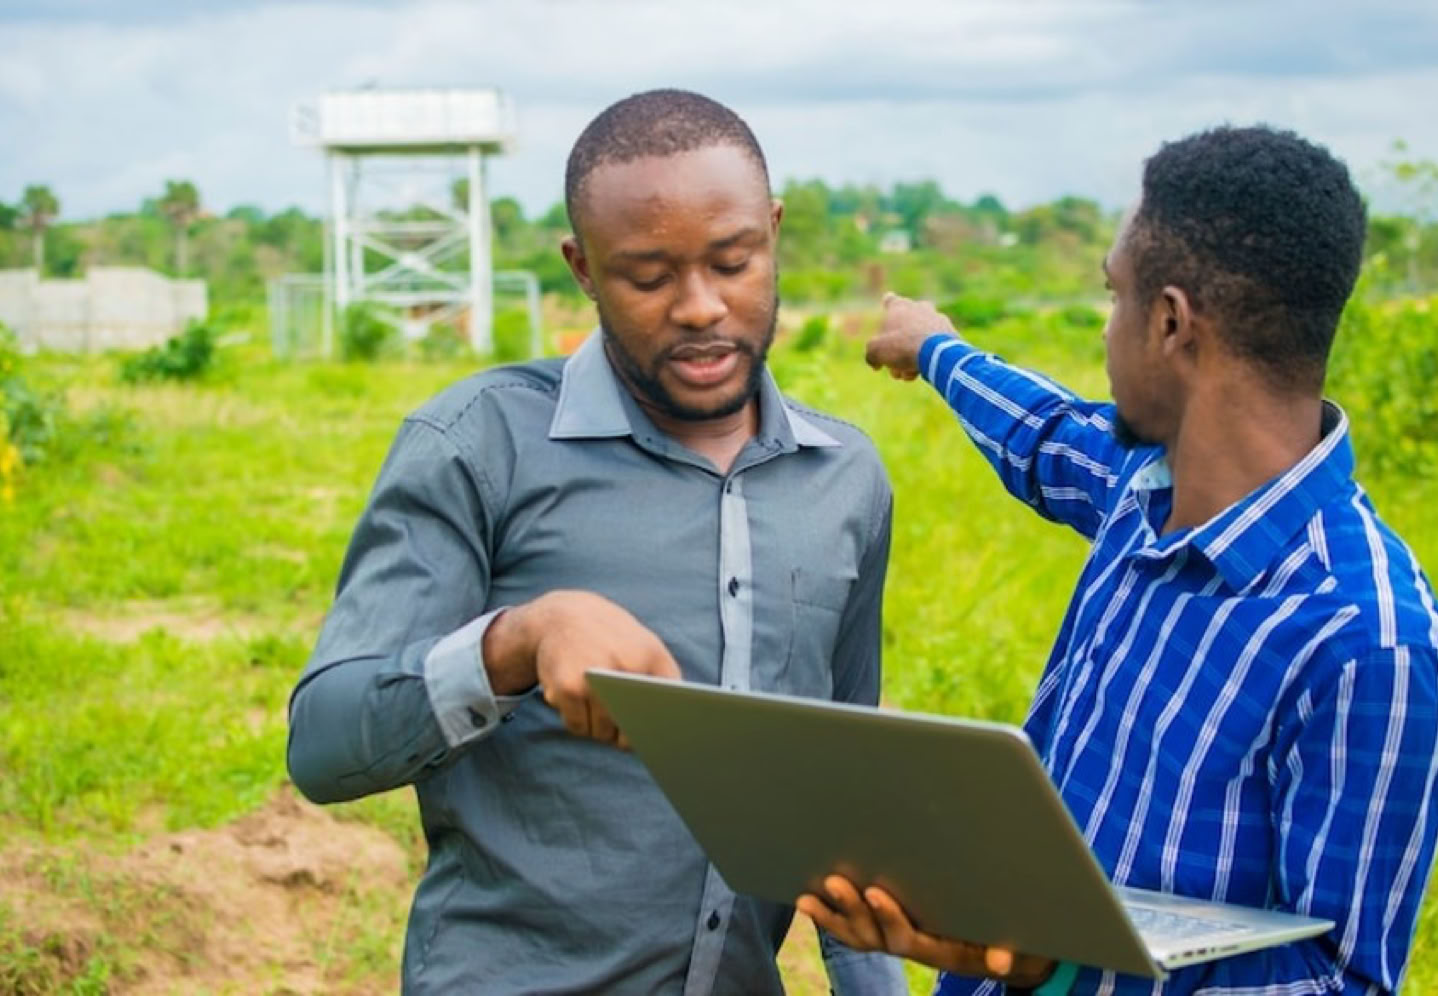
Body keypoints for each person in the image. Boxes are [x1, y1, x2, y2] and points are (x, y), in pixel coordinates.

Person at [286, 89, 905, 995]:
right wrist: (516, 641)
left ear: (772, 232)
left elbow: (844, 793)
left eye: (733, 262)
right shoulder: (477, 446)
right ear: (582, 268)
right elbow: (324, 744)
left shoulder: (845, 479)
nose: (700, 307)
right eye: (647, 278)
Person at [801, 125, 1438, 995]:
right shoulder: (1146, 489)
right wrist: (936, 348)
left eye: (1114, 296)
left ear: (1170, 322)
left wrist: (1056, 964)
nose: (1107, 332)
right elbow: (1047, 433)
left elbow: (1339, 982)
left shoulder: (1368, 641)